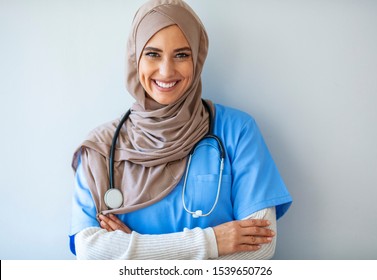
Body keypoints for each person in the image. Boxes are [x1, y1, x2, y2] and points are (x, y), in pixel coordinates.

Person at [69, 0, 292, 260]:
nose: (166, 70)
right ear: (135, 58)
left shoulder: (237, 131)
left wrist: (134, 250)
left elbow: (260, 248)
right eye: (152, 53)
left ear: (197, 58)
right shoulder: (101, 147)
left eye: (182, 55)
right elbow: (90, 252)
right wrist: (212, 241)